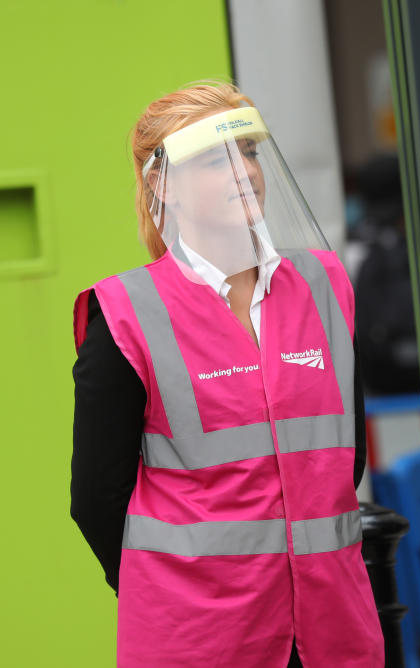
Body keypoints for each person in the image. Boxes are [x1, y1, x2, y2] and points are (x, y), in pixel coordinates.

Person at [70, 83, 383, 667]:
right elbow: (95, 499)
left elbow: (345, 457)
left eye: (250, 151)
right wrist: (170, 587)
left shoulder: (324, 288)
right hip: (200, 639)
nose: (245, 171)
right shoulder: (126, 315)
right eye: (217, 159)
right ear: (164, 186)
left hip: (331, 629)